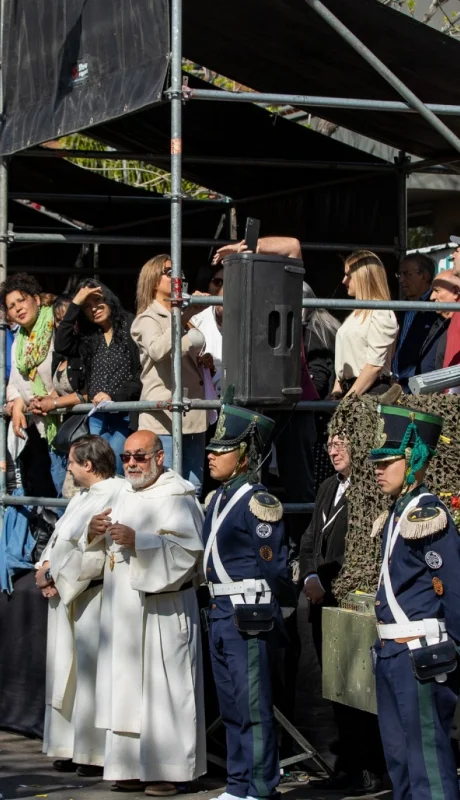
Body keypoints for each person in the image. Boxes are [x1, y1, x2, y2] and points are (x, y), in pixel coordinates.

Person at [80, 429, 205, 796]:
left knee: (163, 690)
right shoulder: (122, 493)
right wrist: (94, 531)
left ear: (160, 457)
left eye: (140, 456)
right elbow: (97, 548)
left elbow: (189, 554)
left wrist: (142, 541)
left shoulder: (178, 496)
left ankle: (170, 770)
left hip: (162, 609)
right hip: (123, 609)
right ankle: (131, 765)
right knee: (126, 688)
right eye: (127, 457)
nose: (132, 463)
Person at [203, 399, 297, 800]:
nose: (210, 454)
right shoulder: (220, 497)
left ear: (243, 456)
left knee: (254, 707)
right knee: (232, 707)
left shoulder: (260, 502)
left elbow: (273, 566)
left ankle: (260, 786)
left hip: (248, 613)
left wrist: (278, 606)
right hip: (221, 612)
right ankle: (239, 783)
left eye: (221, 449)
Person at [369, 404, 460, 799]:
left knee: (428, 763)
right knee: (401, 762)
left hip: (420, 654)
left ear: (414, 460)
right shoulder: (397, 512)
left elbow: (454, 590)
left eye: (388, 461)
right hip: (392, 651)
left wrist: (452, 648)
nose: (378, 469)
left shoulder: (428, 513)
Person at [299, 433, 384, 795]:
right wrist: (310, 576)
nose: (333, 451)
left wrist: (327, 583)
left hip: (349, 601)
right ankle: (348, 764)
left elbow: (363, 552)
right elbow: (308, 540)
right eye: (330, 444)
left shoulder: (368, 490)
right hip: (321, 599)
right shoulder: (327, 487)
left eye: (342, 444)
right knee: (335, 689)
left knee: (358, 690)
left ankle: (370, 768)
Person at [35, 436, 121, 776]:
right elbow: (59, 538)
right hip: (65, 591)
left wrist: (55, 574)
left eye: (71, 461)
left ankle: (93, 752)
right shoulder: (81, 497)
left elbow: (97, 548)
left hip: (90, 595)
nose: (67, 467)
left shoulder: (116, 493)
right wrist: (44, 569)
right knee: (65, 675)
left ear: (88, 464)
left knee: (89, 676)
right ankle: (69, 745)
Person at [131, 254, 208, 496]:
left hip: (193, 413)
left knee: (193, 487)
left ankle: (189, 534)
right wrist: (183, 315)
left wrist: (202, 361)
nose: (177, 277)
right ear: (153, 280)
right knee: (164, 487)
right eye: (169, 272)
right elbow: (157, 350)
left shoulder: (183, 318)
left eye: (180, 272)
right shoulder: (146, 319)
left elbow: (185, 353)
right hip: (164, 417)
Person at [54, 280, 141, 475]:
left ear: (109, 299)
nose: (94, 308)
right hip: (97, 415)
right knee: (97, 469)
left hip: (124, 412)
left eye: (98, 301)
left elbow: (140, 373)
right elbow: (61, 344)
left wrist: (114, 397)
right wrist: (75, 303)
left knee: (115, 466)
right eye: (87, 306)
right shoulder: (89, 335)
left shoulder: (130, 325)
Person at [1, 273, 62, 496]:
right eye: (11, 306)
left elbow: (70, 370)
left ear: (36, 300)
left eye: (22, 300)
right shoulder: (20, 341)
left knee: (68, 486)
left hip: (66, 418)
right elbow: (15, 381)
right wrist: (16, 401)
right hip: (41, 424)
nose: (17, 308)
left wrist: (55, 397)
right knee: (48, 481)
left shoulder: (55, 325)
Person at [332, 250, 398, 398]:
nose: (344, 281)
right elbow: (344, 362)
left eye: (348, 275)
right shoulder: (357, 314)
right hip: (352, 391)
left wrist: (347, 400)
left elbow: (374, 366)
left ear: (363, 276)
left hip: (370, 392)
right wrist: (336, 392)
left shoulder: (381, 312)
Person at [302, 282, 340, 488]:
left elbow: (318, 377)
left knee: (317, 483)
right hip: (324, 412)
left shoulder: (315, 332)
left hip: (319, 415)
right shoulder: (326, 326)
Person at [392, 253, 437, 391]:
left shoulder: (437, 308)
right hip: (395, 384)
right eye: (399, 274)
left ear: (424, 276)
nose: (401, 280)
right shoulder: (400, 308)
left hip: (420, 388)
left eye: (407, 274)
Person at [417, 269, 460, 376]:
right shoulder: (439, 322)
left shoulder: (456, 324)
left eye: (437, 291)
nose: (432, 297)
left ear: (455, 292)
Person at [192, 264, 224, 397]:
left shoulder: (251, 319)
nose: (222, 289)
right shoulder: (196, 318)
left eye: (232, 282)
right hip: (204, 400)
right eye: (218, 282)